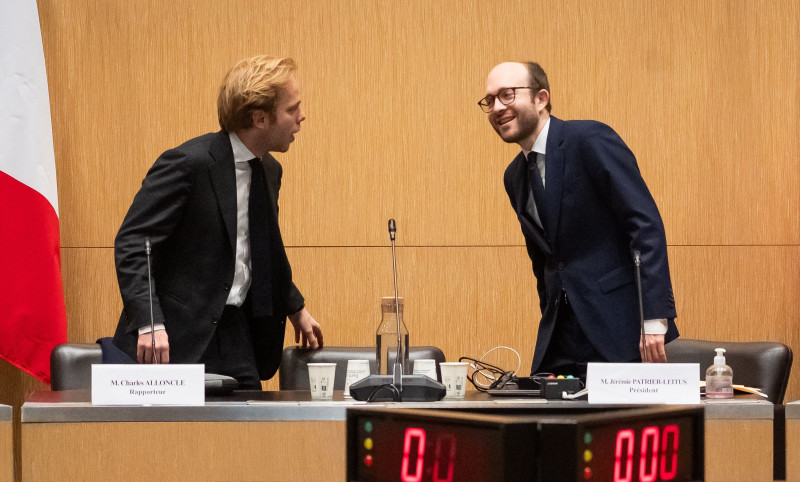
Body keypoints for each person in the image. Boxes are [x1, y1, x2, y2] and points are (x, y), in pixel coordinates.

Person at [113, 55, 323, 389]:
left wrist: (294, 307)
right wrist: (149, 322)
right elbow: (134, 243)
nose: (301, 117)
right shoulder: (188, 164)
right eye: (292, 109)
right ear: (260, 118)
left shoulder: (269, 170)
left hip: (236, 332)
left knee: (250, 420)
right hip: (177, 335)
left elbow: (261, 249)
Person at [480, 61, 678, 378]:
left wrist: (654, 318)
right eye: (490, 100)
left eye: (507, 95)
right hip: (560, 339)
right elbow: (543, 259)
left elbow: (645, 225)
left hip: (622, 331)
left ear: (541, 98)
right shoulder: (514, 175)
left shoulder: (588, 139)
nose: (497, 108)